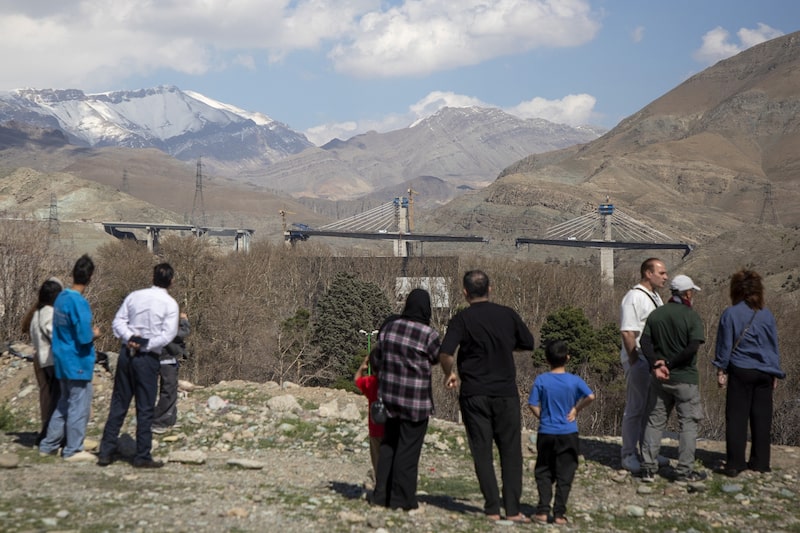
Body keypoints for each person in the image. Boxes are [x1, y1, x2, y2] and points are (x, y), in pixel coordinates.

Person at [440, 270, 535, 523]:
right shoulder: (507, 315)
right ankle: (513, 510)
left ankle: (492, 508)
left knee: (481, 451)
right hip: (505, 393)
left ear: (465, 292)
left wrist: (450, 372)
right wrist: (504, 344)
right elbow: (528, 342)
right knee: (511, 451)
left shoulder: (461, 319)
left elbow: (446, 352)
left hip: (474, 394)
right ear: (490, 290)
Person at [97, 263, 179, 468]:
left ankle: (105, 451)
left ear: (152, 277)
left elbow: (118, 322)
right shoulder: (170, 304)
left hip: (126, 354)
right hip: (148, 358)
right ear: (171, 281)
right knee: (145, 407)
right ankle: (142, 455)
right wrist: (145, 344)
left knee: (118, 404)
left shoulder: (135, 296)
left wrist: (130, 338)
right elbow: (167, 335)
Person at [371, 288, 445, 511]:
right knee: (408, 452)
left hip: (389, 398)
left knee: (388, 446)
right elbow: (435, 358)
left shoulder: (390, 328)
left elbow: (379, 354)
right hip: (415, 402)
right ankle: (402, 499)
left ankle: (380, 495)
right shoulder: (428, 335)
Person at [713, 269, 784, 477]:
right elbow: (773, 345)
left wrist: (721, 370)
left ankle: (735, 463)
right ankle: (761, 463)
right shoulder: (767, 315)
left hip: (740, 370)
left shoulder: (730, 313)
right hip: (764, 372)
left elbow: (725, 346)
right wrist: (775, 372)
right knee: (762, 418)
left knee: (737, 417)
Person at [639, 274, 706, 483]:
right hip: (685, 378)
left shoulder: (657, 315)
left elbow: (645, 342)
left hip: (659, 379)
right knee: (688, 424)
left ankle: (648, 469)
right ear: (687, 293)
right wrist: (670, 364)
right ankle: (684, 472)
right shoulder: (691, 316)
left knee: (654, 421)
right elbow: (692, 347)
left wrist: (656, 364)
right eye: (691, 292)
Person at [38, 255, 100, 462]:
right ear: (90, 277)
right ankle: (73, 449)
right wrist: (95, 333)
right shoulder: (79, 303)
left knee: (63, 403)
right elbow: (83, 336)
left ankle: (48, 444)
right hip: (78, 361)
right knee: (78, 406)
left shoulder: (62, 297)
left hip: (61, 357)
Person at [528, 340, 595, 526]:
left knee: (543, 470)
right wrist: (576, 410)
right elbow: (591, 396)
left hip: (546, 431)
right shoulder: (574, 380)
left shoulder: (542, 380)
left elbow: (532, 403)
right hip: (568, 432)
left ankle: (542, 511)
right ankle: (559, 514)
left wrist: (543, 417)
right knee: (566, 472)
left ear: (547, 359)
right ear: (567, 358)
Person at [619, 257, 668, 474]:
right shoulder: (634, 298)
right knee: (635, 408)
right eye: (662, 273)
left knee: (651, 408)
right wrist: (634, 361)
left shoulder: (656, 297)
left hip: (652, 361)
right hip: (639, 358)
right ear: (648, 273)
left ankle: (649, 451)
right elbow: (628, 332)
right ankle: (628, 454)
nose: (665, 277)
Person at [21, 277, 64, 446]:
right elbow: (56, 336)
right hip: (50, 360)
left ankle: (47, 431)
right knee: (56, 399)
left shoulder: (36, 313)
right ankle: (50, 435)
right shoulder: (48, 313)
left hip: (40, 358)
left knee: (49, 397)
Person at [152, 311, 191, 433]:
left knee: (172, 390)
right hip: (166, 360)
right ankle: (158, 421)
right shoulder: (164, 330)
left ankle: (170, 419)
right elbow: (182, 333)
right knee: (168, 391)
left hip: (168, 360)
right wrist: (184, 321)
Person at [354, 350, 384, 483]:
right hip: (392, 429)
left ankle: (380, 486)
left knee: (377, 462)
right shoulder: (394, 384)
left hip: (375, 429)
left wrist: (363, 365)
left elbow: (357, 379)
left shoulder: (370, 383)